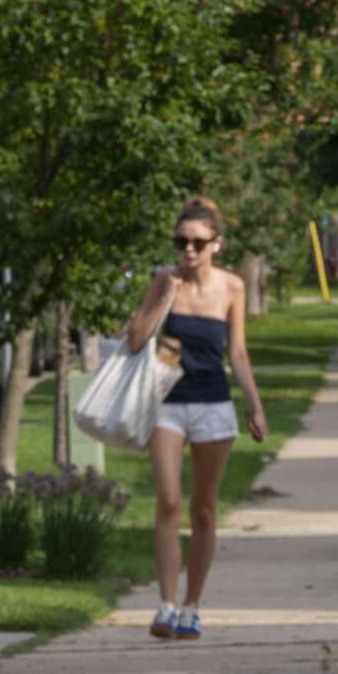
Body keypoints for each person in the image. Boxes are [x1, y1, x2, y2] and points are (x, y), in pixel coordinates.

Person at [127, 197, 268, 639]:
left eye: (197, 242)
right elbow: (134, 340)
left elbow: (238, 352)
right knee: (168, 501)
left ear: (217, 244)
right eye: (180, 241)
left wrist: (255, 404)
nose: (188, 250)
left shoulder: (232, 287)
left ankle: (192, 606)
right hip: (166, 401)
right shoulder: (163, 280)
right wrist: (163, 298)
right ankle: (165, 606)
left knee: (203, 510)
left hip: (212, 403)